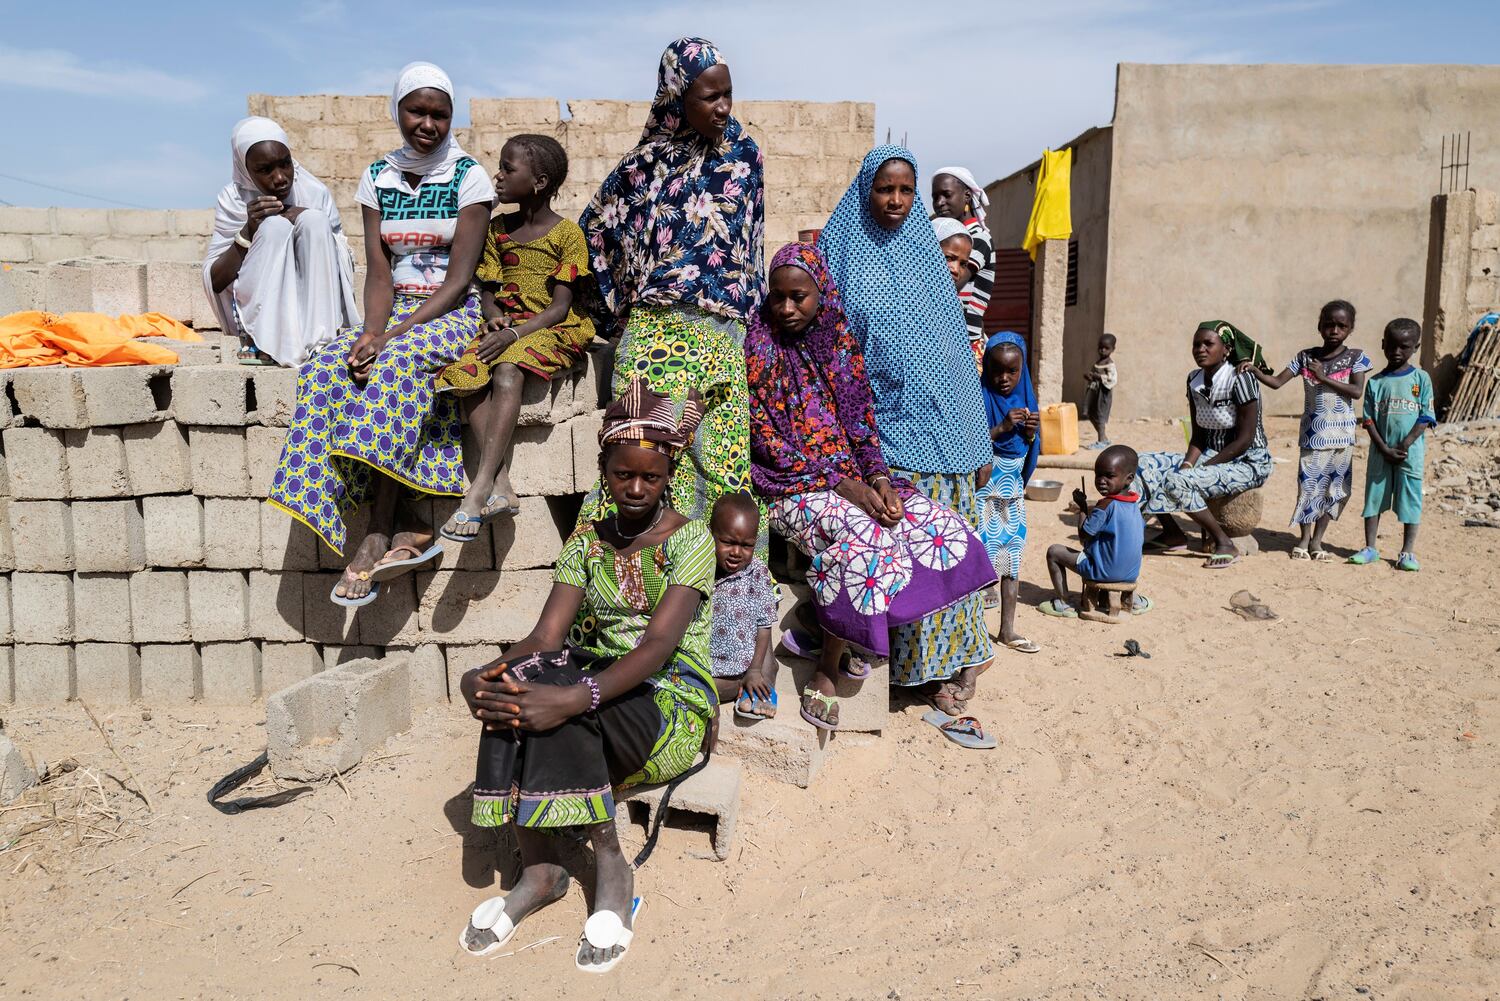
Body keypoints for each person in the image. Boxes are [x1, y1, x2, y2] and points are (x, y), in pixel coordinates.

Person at [457, 379, 714, 974]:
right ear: (604, 469)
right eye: (623, 474)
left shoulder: (690, 539)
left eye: (650, 477)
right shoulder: (587, 541)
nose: (636, 488)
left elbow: (657, 646)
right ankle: (541, 867)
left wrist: (575, 696)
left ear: (667, 475)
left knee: (563, 709)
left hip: (671, 700)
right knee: (519, 689)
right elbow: (546, 638)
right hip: (595, 680)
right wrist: (486, 672)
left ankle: (610, 868)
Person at [267, 62, 493, 606]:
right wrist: (371, 331)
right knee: (327, 365)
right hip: (393, 313)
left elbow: (460, 279)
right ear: (398, 111)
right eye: (417, 111)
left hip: (449, 312)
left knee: (395, 364)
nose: (428, 124)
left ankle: (379, 528)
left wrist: (391, 339)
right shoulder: (378, 178)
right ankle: (328, 502)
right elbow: (378, 268)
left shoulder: (469, 178)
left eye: (440, 114)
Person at [752, 241, 995, 731]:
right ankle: (827, 668)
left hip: (850, 477)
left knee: (934, 523)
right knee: (867, 539)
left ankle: (834, 631)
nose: (786, 307)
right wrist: (848, 489)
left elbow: (861, 424)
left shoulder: (838, 343)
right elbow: (767, 441)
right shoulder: (760, 346)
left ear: (821, 293)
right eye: (778, 297)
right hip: (790, 486)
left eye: (798, 296)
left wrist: (879, 480)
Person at [578, 36, 765, 546]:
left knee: (721, 470)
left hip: (722, 336)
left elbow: (751, 248)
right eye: (709, 97)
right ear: (677, 96)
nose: (723, 107)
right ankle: (630, 601)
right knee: (644, 459)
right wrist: (614, 311)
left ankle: (722, 610)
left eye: (728, 93)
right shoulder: (643, 167)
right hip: (654, 335)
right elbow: (594, 233)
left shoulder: (745, 156)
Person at [435, 135, 596, 539]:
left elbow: (559, 308)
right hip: (507, 326)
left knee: (507, 370)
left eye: (508, 169)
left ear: (539, 181)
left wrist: (514, 335)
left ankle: (480, 487)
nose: (499, 176)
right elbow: (489, 290)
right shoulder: (496, 229)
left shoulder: (567, 235)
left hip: (550, 328)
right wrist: (492, 319)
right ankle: (501, 486)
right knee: (465, 369)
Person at [203, 116, 359, 366]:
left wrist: (303, 217)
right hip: (257, 316)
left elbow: (344, 260)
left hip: (311, 311)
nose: (280, 178)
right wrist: (249, 231)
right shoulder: (233, 200)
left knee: (315, 221)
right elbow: (216, 280)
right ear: (245, 170)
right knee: (273, 226)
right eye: (265, 170)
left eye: (285, 164)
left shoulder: (313, 192)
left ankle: (320, 342)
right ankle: (263, 339)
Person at [1133, 321, 1274, 569]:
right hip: (1210, 454)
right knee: (1141, 465)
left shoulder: (1241, 379)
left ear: (1226, 349)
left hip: (1248, 461)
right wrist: (1188, 463)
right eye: (1196, 344)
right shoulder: (1194, 380)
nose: (1201, 349)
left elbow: (1245, 439)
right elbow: (1198, 435)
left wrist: (1203, 468)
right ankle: (1172, 534)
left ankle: (1225, 543)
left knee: (1178, 481)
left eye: (1208, 344)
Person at [1243, 300, 1371, 560]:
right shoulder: (1305, 357)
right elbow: (1277, 382)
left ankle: (1318, 542)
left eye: (1341, 326)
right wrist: (1255, 370)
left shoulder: (1357, 357)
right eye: (1329, 325)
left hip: (1343, 438)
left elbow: (1357, 392)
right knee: (1309, 487)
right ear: (1319, 327)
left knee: (1334, 489)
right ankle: (1303, 539)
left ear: (1351, 328)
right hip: (1313, 436)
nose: (1334, 330)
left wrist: (1323, 378)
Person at [1350, 318, 1434, 571]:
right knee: (1373, 498)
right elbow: (1368, 420)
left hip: (1411, 454)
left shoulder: (1421, 379)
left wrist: (1406, 443)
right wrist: (1383, 447)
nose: (1397, 352)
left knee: (1410, 500)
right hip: (1380, 452)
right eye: (1392, 346)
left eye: (1404, 347)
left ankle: (1407, 552)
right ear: (1383, 344)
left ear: (1416, 347)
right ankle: (1370, 548)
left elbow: (1425, 416)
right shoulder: (1376, 382)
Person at [977, 332, 1041, 653]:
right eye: (996, 370)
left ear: (1022, 370)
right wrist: (1001, 428)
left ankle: (1007, 629)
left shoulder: (1027, 400)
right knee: (978, 558)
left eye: (1012, 371)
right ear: (986, 367)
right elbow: (970, 443)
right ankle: (973, 631)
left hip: (1011, 496)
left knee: (1012, 558)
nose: (1003, 379)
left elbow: (1030, 453)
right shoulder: (978, 397)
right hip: (982, 497)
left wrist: (1030, 435)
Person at [1041, 445, 1146, 616]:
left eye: (1109, 476)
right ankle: (1133, 599)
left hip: (1103, 571)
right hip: (1130, 574)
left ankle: (1063, 601)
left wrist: (1082, 508)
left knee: (1054, 552)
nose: (1101, 480)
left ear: (1129, 479)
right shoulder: (1134, 504)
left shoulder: (1105, 505)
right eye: (1098, 474)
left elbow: (1083, 536)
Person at [706, 493, 778, 720]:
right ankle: (740, 687)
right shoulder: (700, 565)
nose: (737, 553)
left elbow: (764, 626)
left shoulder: (757, 573)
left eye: (746, 545)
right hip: (704, 662)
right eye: (727, 542)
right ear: (711, 533)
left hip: (741, 663)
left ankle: (754, 682)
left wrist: (755, 670)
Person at [931, 166, 994, 370]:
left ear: (967, 196)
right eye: (935, 197)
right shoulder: (943, 235)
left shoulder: (978, 238)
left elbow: (949, 284)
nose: (940, 203)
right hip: (943, 338)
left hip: (965, 341)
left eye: (947, 195)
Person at [1082, 333, 1118, 449]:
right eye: (1100, 347)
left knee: (1100, 416)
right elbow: (1094, 375)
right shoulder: (1098, 363)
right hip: (1094, 393)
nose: (1103, 350)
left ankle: (1101, 440)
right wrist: (1089, 377)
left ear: (1113, 349)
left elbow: (1112, 379)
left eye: (1106, 348)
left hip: (1103, 395)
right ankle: (1104, 438)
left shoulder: (1110, 365)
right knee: (1091, 414)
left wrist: (1099, 377)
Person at [932, 216, 974, 292]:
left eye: (963, 264)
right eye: (948, 258)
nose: (956, 270)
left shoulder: (952, 302)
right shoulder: (907, 291)